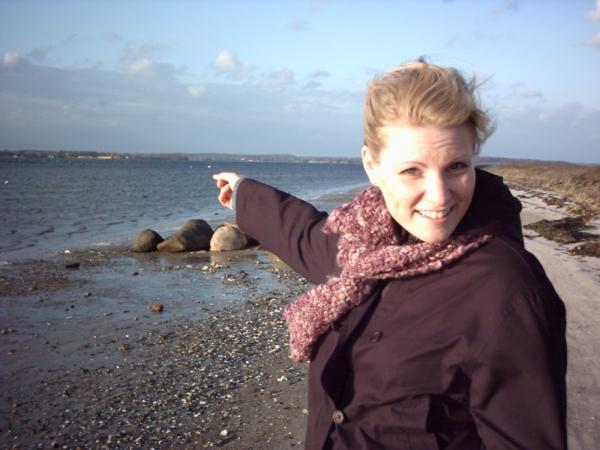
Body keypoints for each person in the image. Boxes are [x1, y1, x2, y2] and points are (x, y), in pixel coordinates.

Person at [213, 60, 567, 449]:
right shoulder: (365, 246)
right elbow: (307, 236)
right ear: (372, 166)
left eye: (456, 166)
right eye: (412, 171)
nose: (440, 196)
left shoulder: (506, 291)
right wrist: (244, 193)